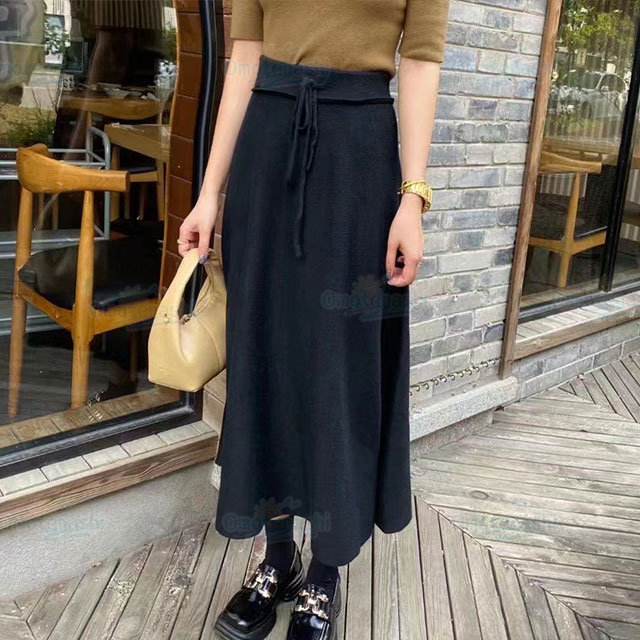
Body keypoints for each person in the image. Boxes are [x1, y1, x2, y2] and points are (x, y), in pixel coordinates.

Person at [177, 1, 450, 638]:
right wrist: (210, 192)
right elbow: (245, 60)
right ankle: (278, 558)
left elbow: (419, 62)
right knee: (266, 358)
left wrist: (413, 199)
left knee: (341, 365)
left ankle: (325, 571)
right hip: (265, 156)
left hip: (359, 164)